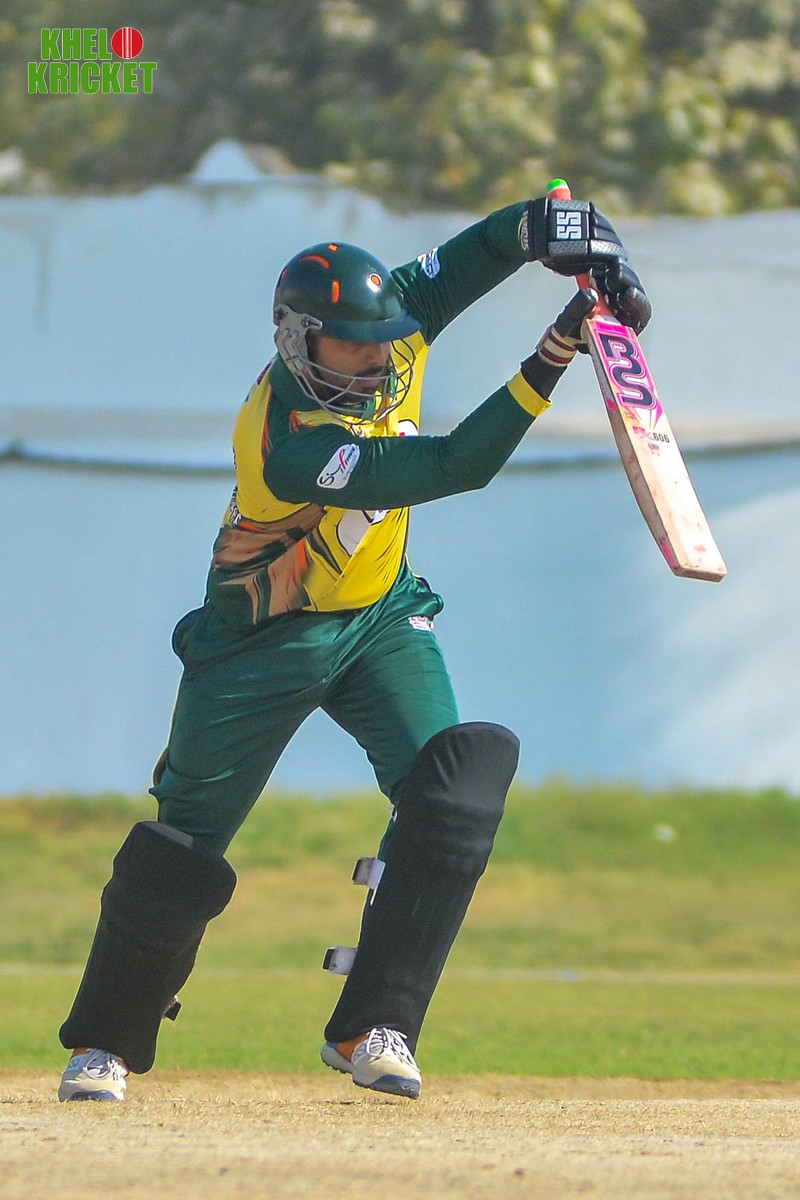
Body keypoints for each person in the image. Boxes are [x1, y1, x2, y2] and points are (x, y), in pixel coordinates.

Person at [57, 192, 650, 1102]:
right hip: (261, 637)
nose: (377, 361)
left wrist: (571, 238)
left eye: (382, 343)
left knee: (454, 789)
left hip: (377, 618)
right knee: (183, 845)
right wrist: (555, 351)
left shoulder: (389, 331)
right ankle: (104, 1042)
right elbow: (456, 466)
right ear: (299, 341)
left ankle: (376, 1026)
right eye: (352, 348)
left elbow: (493, 246)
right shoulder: (289, 441)